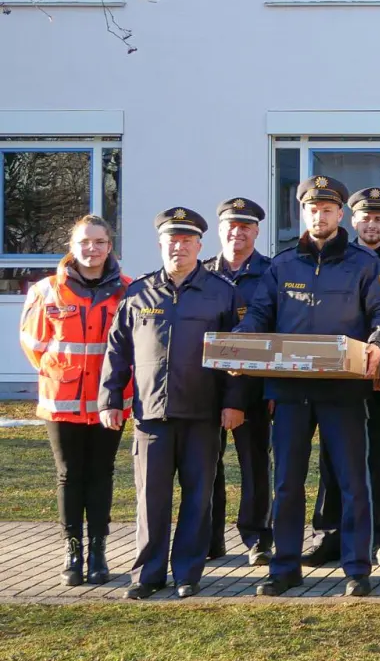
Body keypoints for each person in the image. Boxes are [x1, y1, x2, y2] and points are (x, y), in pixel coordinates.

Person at [237, 175, 380, 597]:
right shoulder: (282, 265)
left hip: (343, 391)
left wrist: (378, 344)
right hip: (289, 392)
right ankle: (285, 567)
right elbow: (259, 316)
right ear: (302, 213)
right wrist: (237, 345)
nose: (320, 216)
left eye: (327, 209)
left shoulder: (365, 265)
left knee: (352, 480)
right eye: (312, 209)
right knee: (287, 482)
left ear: (339, 214)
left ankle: (356, 568)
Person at [99, 207, 246, 599]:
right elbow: (117, 351)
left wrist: (234, 403)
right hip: (150, 414)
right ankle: (147, 574)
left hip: (202, 412)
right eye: (171, 240)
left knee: (198, 497)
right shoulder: (138, 292)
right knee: (151, 498)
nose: (178, 247)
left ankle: (187, 573)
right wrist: (110, 398)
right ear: (161, 244)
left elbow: (237, 358)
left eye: (186, 241)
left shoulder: (222, 293)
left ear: (200, 245)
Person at [20, 215, 131, 587]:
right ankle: (72, 553)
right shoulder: (46, 290)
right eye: (84, 242)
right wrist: (65, 373)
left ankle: (98, 552)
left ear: (109, 246)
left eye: (99, 242)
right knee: (69, 476)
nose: (91, 249)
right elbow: (34, 345)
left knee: (101, 474)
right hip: (62, 400)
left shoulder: (127, 290)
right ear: (72, 246)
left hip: (109, 400)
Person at [309, 187, 380, 569]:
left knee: (379, 459)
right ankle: (329, 536)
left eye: (379, 219)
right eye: (365, 218)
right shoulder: (334, 261)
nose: (371, 225)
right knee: (331, 461)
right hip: (337, 380)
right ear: (351, 220)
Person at [204, 198, 275, 566]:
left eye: (245, 226)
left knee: (255, 464)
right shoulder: (203, 273)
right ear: (220, 230)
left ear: (256, 231)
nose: (238, 232)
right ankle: (211, 538)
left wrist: (275, 386)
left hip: (255, 386)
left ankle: (258, 536)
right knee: (206, 464)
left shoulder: (270, 272)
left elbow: (280, 329)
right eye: (231, 225)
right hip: (206, 386)